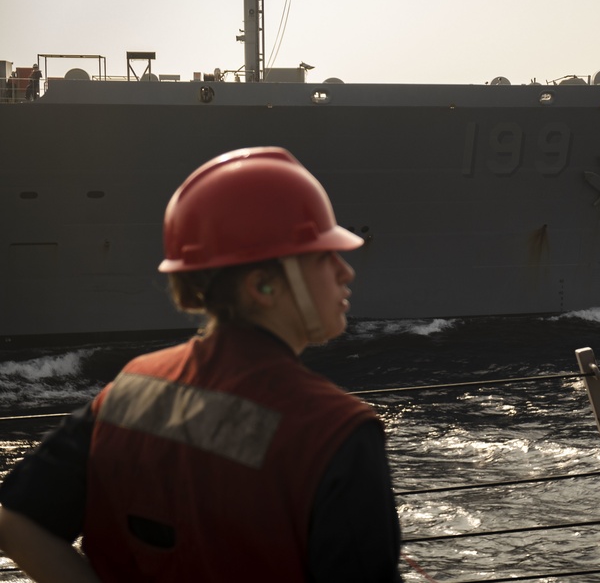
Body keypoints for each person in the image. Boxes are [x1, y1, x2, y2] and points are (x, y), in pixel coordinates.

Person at [0, 147, 403, 582]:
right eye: (324, 255)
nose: (347, 272)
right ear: (262, 286)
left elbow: (18, 522)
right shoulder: (339, 431)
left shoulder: (130, 389)